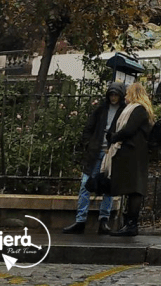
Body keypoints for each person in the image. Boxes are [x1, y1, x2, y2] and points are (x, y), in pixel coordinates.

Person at [63, 81, 126, 234]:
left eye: (116, 95)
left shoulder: (123, 111)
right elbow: (88, 128)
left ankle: (104, 220)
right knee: (85, 184)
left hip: (111, 153)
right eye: (111, 94)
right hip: (95, 152)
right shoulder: (100, 110)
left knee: (107, 187)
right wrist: (89, 144)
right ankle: (80, 220)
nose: (113, 97)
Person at [104, 82, 155, 237]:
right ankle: (128, 224)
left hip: (134, 154)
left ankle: (131, 224)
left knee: (134, 189)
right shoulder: (136, 109)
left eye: (127, 93)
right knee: (131, 188)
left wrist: (114, 137)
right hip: (132, 153)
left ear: (133, 94)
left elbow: (129, 130)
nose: (125, 96)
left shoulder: (139, 109)